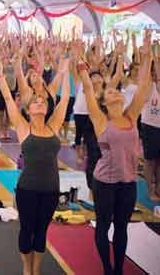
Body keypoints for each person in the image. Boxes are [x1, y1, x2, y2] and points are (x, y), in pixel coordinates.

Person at [79, 31, 152, 275]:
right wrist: (80, 61)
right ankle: (107, 268)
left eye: (116, 90)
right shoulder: (100, 120)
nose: (115, 91)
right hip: (105, 182)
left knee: (122, 227)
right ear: (103, 102)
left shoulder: (131, 115)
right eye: (110, 92)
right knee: (103, 225)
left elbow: (144, 86)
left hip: (128, 182)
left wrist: (147, 53)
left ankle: (118, 269)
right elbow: (89, 89)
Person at [0, 54, 70, 275]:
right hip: (27, 188)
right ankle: (26, 269)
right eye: (36, 102)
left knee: (41, 232)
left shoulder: (53, 126)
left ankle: (36, 270)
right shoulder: (22, 126)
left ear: (47, 108)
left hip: (51, 189)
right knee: (26, 230)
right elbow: (8, 99)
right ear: (29, 109)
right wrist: (1, 71)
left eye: (43, 102)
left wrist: (65, 70)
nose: (40, 103)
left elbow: (65, 99)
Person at [141, 55, 160, 201]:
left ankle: (158, 187)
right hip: (150, 126)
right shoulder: (149, 85)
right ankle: (150, 189)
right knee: (150, 160)